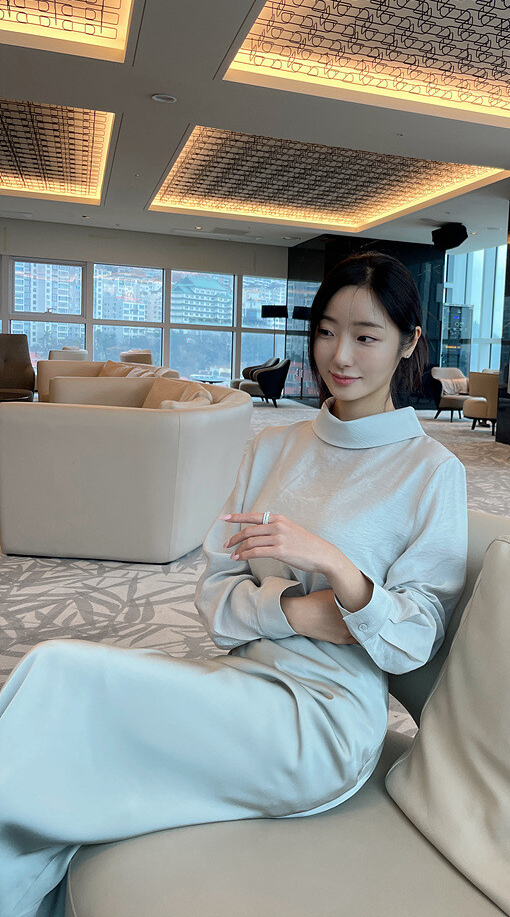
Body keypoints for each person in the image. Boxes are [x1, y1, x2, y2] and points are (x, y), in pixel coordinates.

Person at [0, 251, 468, 917]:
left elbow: (414, 638)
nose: (340, 355)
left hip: (322, 723)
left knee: (61, 678)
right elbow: (214, 602)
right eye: (326, 331)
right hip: (242, 677)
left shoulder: (430, 471)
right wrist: (299, 612)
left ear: (408, 342)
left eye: (366, 337)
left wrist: (338, 568)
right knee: (51, 704)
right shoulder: (271, 447)